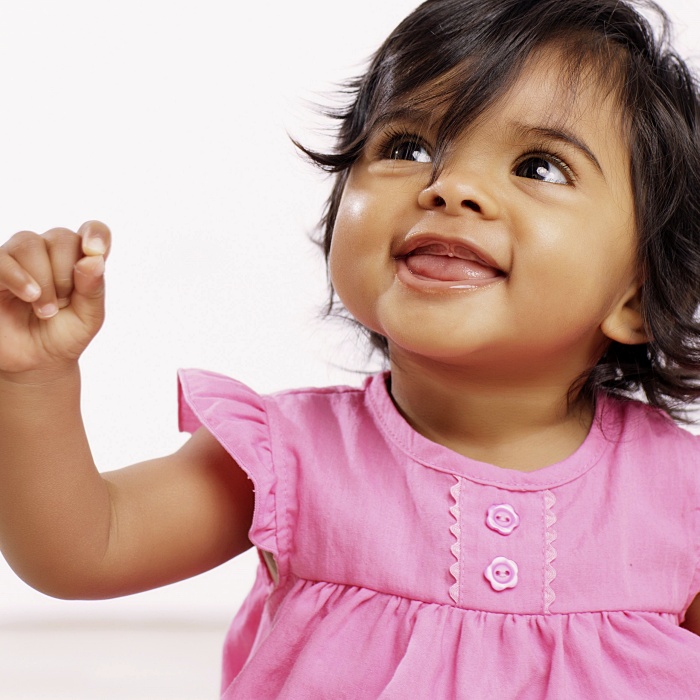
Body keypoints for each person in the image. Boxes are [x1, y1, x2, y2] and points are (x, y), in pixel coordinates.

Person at [1, 0, 699, 696]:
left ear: (637, 294)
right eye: (408, 148)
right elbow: (81, 551)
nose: (451, 188)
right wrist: (32, 379)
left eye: (539, 166)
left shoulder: (682, 493)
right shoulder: (291, 458)